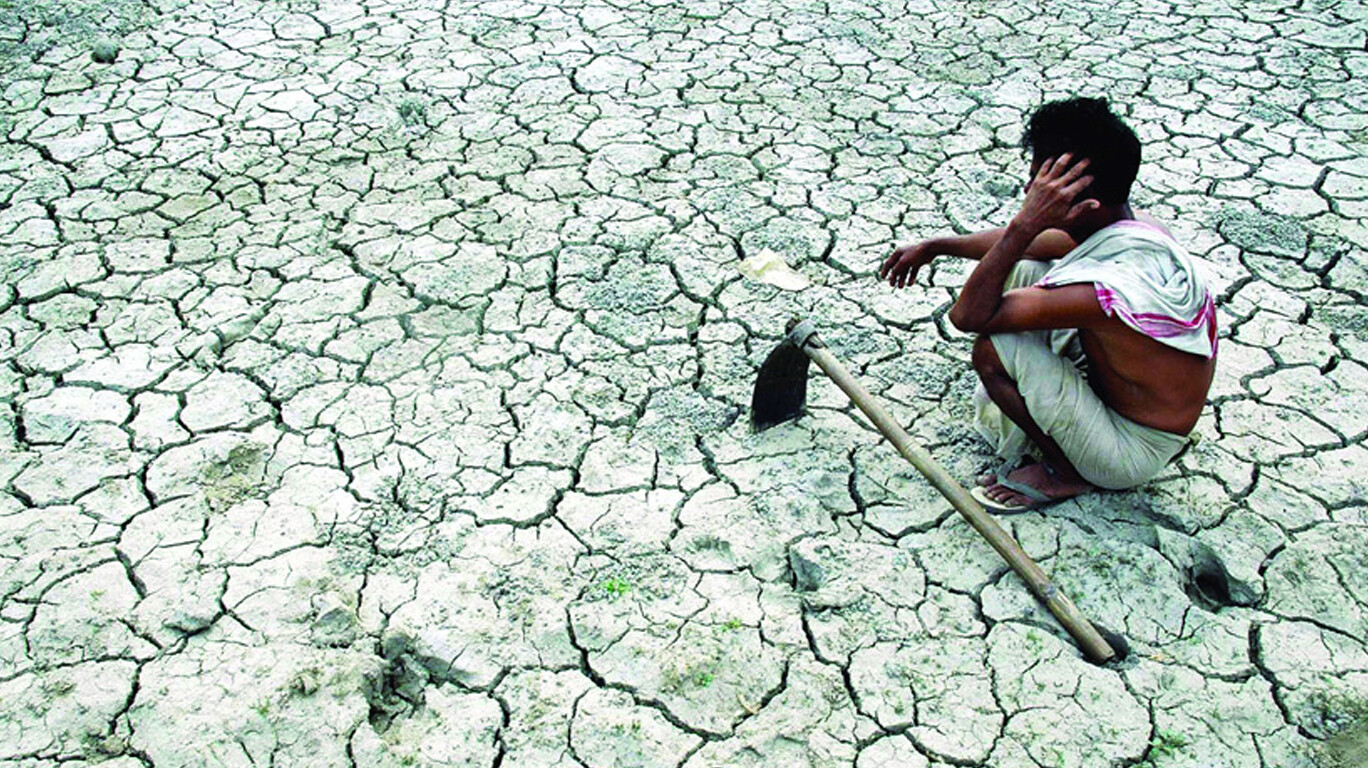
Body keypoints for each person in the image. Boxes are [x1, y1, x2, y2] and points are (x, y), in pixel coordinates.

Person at [879, 97, 1217, 511]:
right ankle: (1062, 430)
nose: (1028, 193)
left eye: (1040, 188)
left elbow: (967, 316)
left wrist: (1026, 222)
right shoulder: (1130, 226)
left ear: (1082, 202)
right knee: (1029, 268)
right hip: (1123, 397)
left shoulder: (1104, 292)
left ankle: (1065, 471)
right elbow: (1034, 246)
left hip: (1129, 450)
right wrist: (936, 246)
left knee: (993, 349)